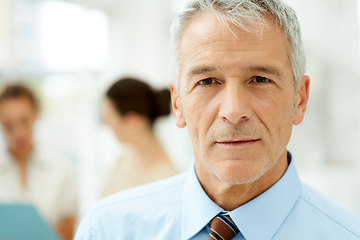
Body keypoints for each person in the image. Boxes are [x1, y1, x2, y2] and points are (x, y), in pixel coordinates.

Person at [75, 0, 360, 239]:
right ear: (178, 103)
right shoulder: (107, 230)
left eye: (260, 79)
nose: (233, 111)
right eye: (208, 80)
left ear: (300, 99)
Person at [0, 84, 77, 240]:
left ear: (35, 115)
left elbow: (69, 229)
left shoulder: (62, 168)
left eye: (24, 121)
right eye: (9, 125)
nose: (18, 133)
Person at [101, 77, 178, 197]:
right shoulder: (124, 159)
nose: (106, 123)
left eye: (110, 116)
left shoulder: (166, 180)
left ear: (133, 121)